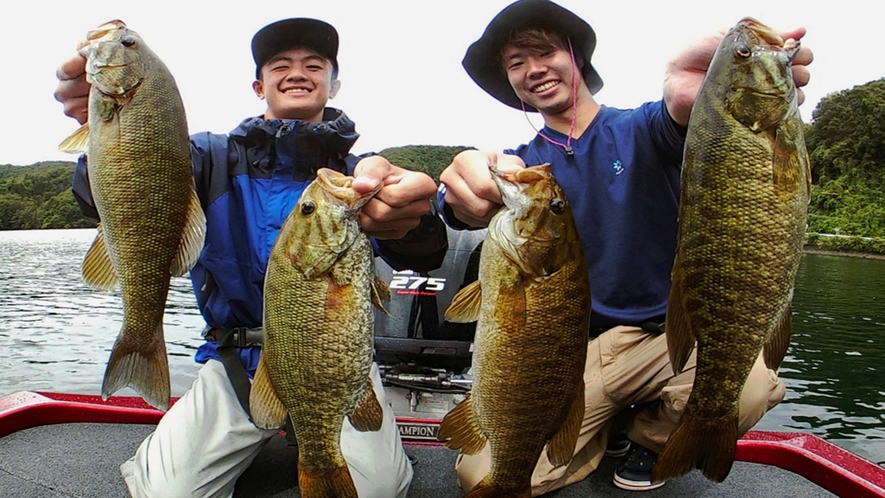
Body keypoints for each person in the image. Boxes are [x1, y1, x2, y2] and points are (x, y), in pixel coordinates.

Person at [54, 17, 448, 498]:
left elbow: (426, 251)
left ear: (333, 81)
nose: (297, 72)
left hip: (333, 359)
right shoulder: (207, 157)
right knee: (169, 494)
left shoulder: (359, 176)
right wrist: (98, 128)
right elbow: (111, 196)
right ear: (260, 86)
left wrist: (416, 220)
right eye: (280, 65)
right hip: (234, 357)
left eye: (314, 64)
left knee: (379, 490)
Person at [437, 0, 813, 493]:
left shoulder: (645, 128)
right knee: (481, 475)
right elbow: (458, 202)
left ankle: (649, 437)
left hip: (667, 341)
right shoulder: (522, 171)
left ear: (576, 58)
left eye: (544, 51)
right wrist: (455, 194)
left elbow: (686, 123)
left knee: (747, 388)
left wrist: (695, 94)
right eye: (515, 63)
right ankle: (601, 429)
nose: (533, 69)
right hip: (574, 351)